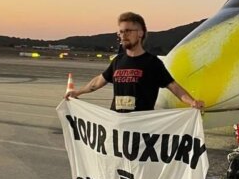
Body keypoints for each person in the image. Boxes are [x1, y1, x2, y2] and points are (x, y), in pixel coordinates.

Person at [64, 11, 204, 112]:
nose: (123, 35)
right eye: (121, 32)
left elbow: (174, 87)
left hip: (140, 128)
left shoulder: (152, 63)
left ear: (140, 33)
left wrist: (192, 102)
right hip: (117, 124)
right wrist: (78, 92)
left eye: (128, 31)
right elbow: (98, 82)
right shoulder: (118, 61)